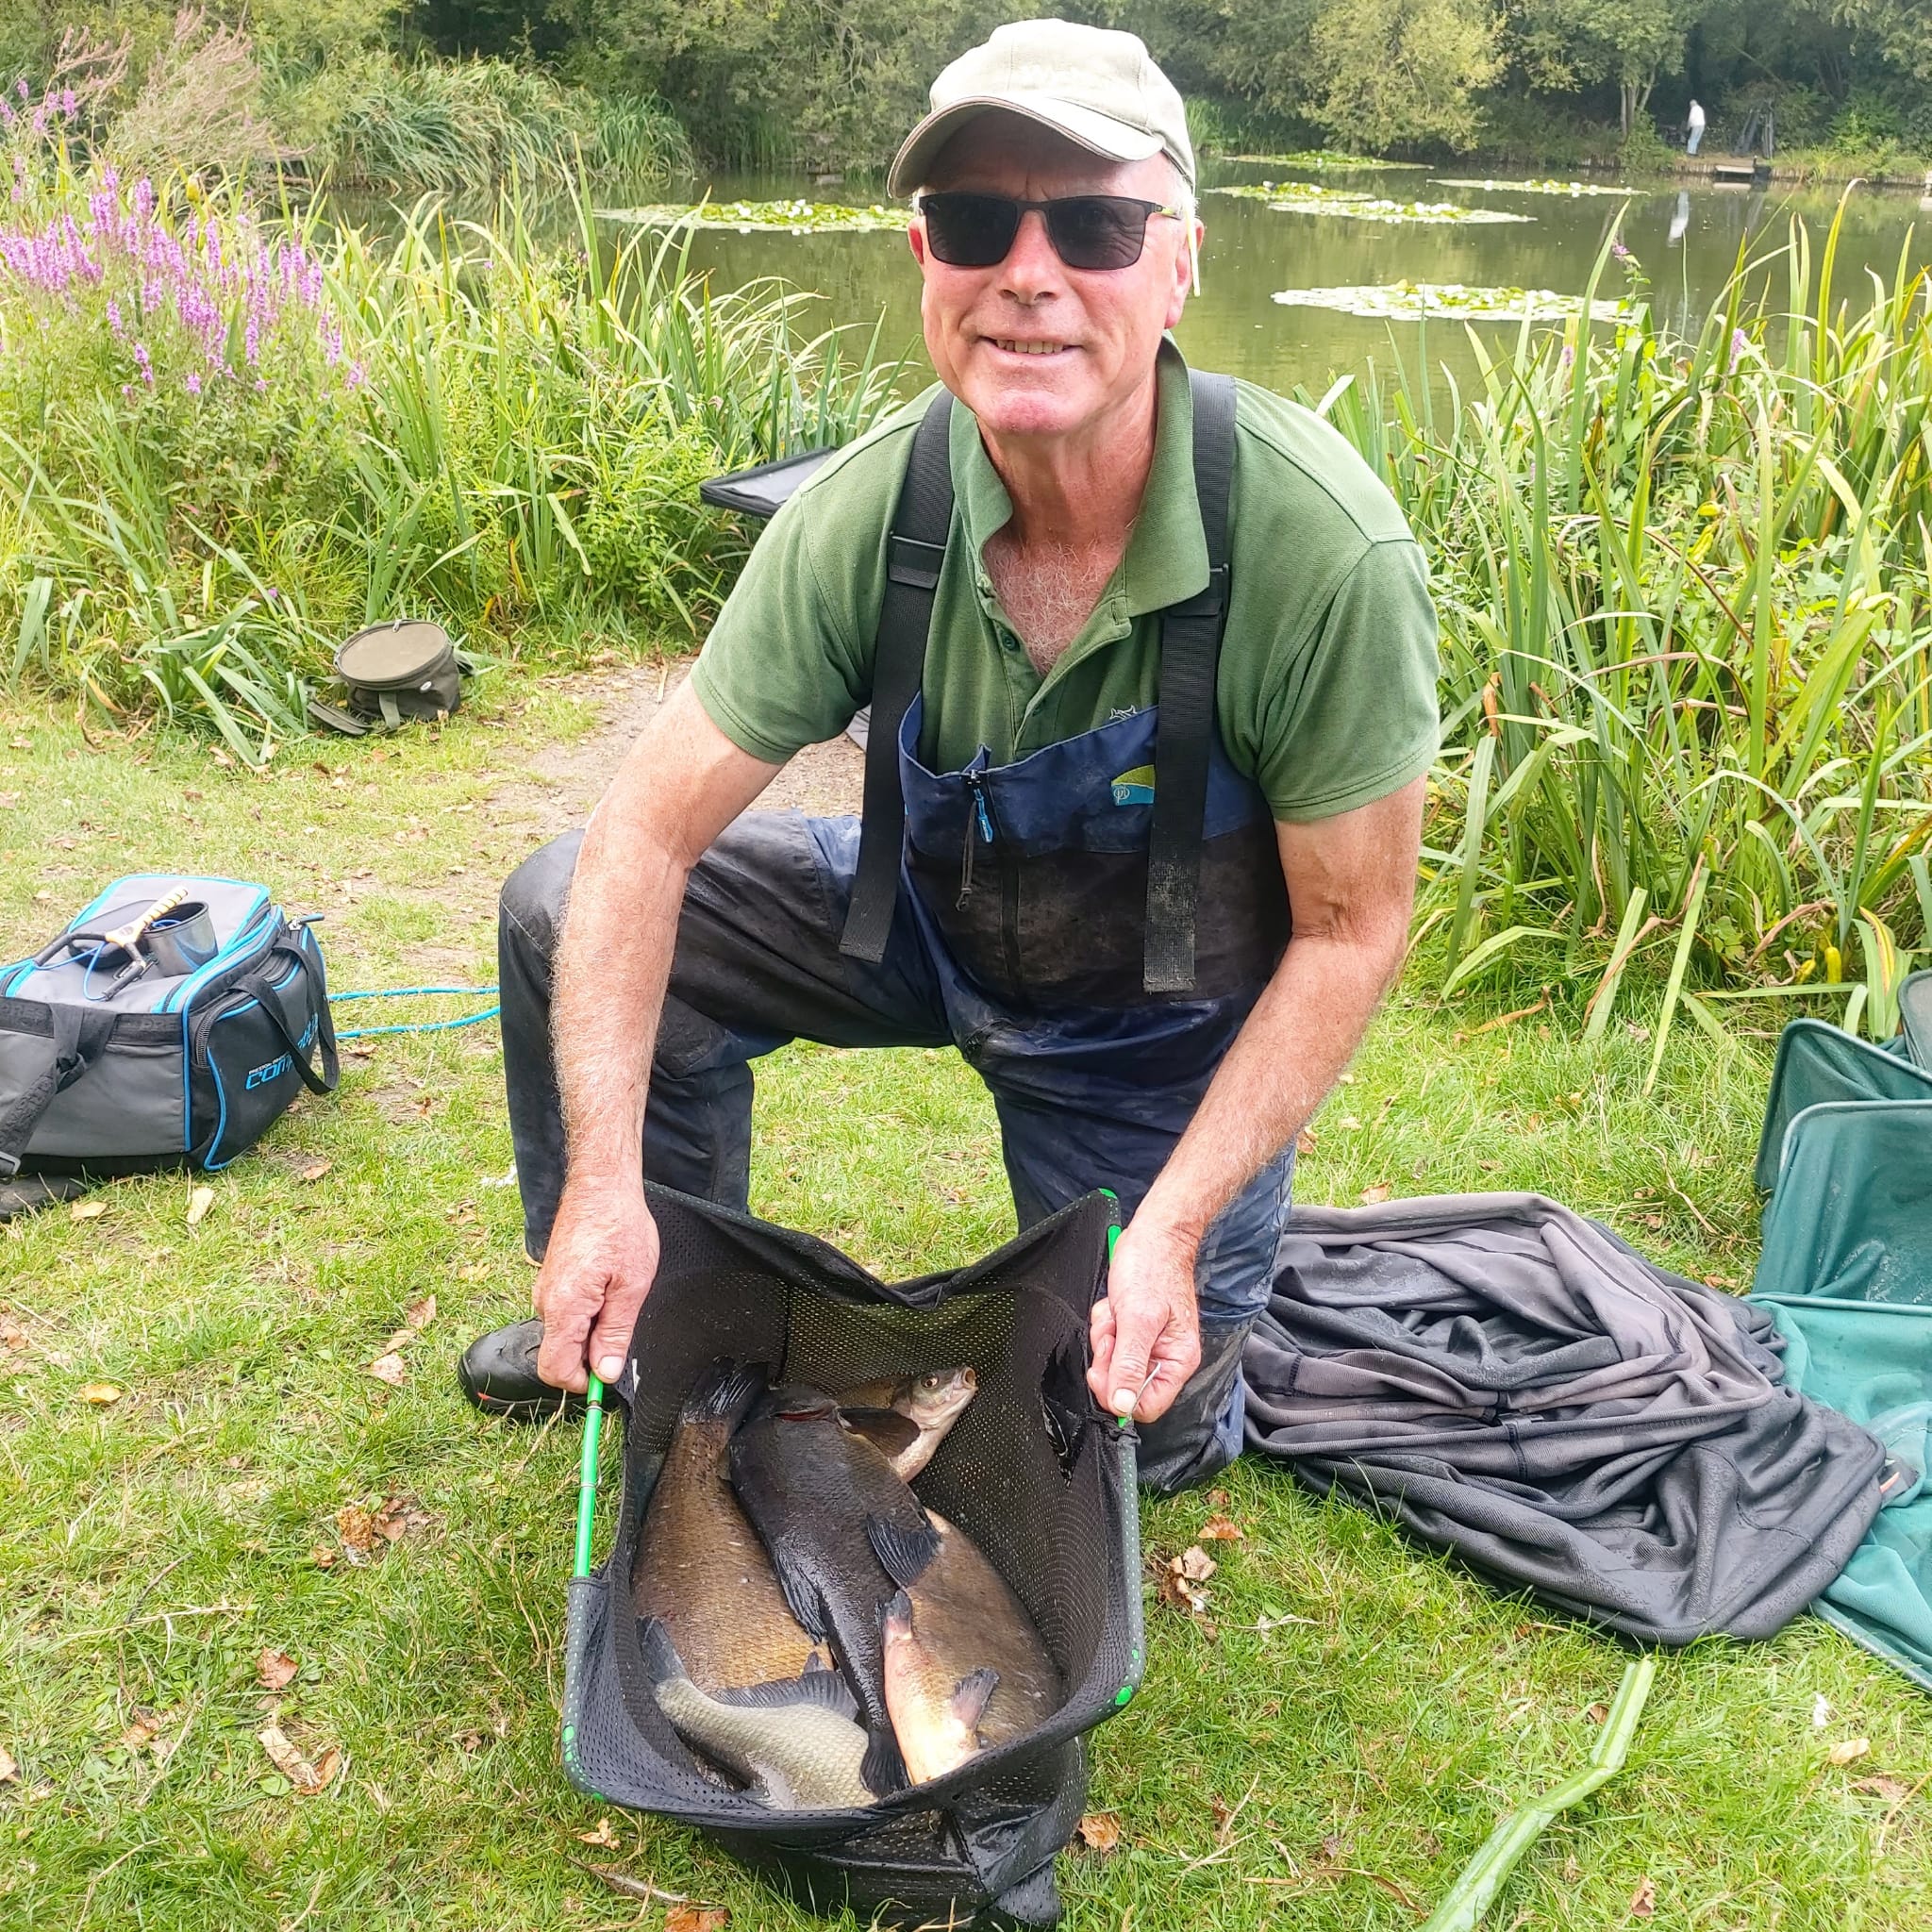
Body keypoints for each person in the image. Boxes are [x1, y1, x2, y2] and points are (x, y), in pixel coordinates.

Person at [456, 18, 1441, 1491]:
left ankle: (1166, 1280)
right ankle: (641, 1315)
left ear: (1180, 262)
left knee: (1134, 1439)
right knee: (561, 898)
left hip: (1149, 1031)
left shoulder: (1319, 545)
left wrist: (1171, 1229)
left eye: (1096, 226)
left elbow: (1354, 930)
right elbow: (647, 833)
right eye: (978, 221)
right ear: (926, 256)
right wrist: (599, 1188)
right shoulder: (868, 509)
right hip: (926, 919)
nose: (1029, 274)